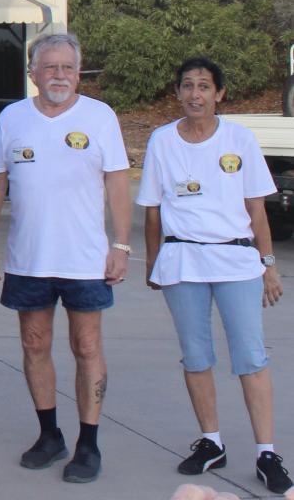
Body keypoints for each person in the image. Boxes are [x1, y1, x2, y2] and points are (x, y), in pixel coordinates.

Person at [138, 57, 292, 494]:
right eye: (187, 86)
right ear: (178, 92)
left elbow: (256, 209)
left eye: (204, 86)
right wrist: (153, 264)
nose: (195, 94)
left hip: (237, 262)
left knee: (250, 357)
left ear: (219, 94)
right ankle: (211, 442)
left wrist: (268, 266)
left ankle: (266, 452)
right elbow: (152, 211)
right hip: (183, 262)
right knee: (196, 357)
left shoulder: (239, 138)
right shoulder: (162, 141)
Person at [0, 32, 132, 484]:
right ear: (32, 73)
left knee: (86, 348)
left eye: (67, 68)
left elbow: (117, 184)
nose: (59, 76)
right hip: (28, 259)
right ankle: (49, 435)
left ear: (78, 72)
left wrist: (122, 245)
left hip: (86, 262)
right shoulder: (12, 117)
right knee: (34, 345)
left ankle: (89, 444)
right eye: (49, 67)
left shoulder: (100, 116)